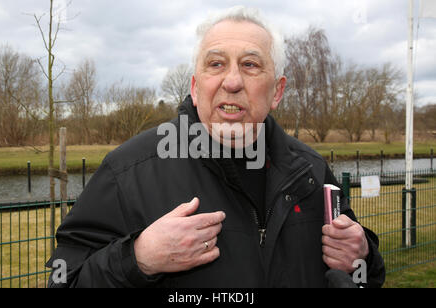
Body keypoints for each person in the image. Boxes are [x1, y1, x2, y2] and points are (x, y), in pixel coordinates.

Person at [46, 6, 385, 288]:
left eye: (250, 65)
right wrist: (138, 259)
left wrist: (362, 258)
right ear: (195, 87)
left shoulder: (310, 170)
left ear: (277, 91)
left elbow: (364, 274)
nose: (232, 81)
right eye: (216, 64)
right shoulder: (128, 171)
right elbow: (64, 279)